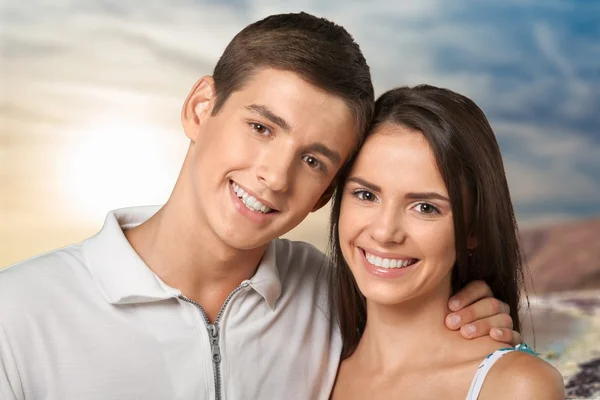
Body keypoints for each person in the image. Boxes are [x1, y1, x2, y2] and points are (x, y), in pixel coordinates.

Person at [0, 14, 519, 400]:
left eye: (314, 160)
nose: (274, 176)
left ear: (325, 195)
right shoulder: (17, 315)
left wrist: (469, 317)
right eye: (261, 127)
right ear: (201, 109)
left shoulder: (331, 299)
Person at [329, 85, 565, 399]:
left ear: (473, 229)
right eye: (366, 195)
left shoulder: (515, 386)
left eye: (425, 207)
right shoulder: (313, 366)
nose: (385, 232)